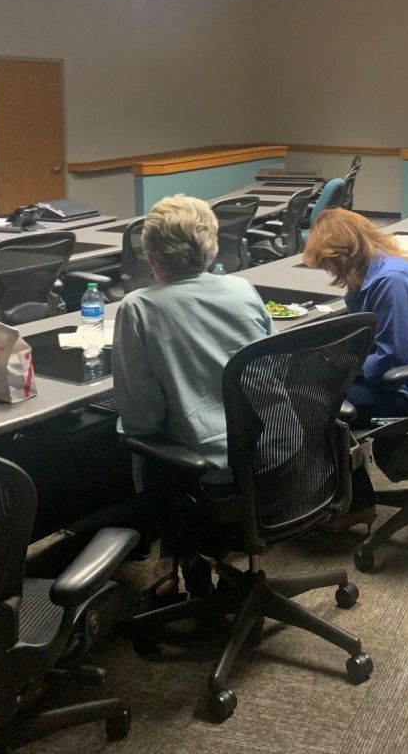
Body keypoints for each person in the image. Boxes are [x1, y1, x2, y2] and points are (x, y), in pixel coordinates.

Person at [112, 194, 272, 601]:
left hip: (213, 478)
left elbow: (141, 420)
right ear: (212, 245)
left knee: (140, 444)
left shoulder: (138, 308)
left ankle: (177, 553)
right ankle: (182, 555)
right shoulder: (243, 289)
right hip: (277, 457)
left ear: (149, 253)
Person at [303, 209, 408, 531]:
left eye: (330, 264)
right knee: (314, 384)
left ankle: (357, 503)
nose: (330, 272)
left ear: (345, 255)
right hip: (406, 374)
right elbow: (369, 339)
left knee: (321, 406)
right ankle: (338, 493)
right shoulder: (370, 274)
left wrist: (348, 364)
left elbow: (391, 359)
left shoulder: (390, 280)